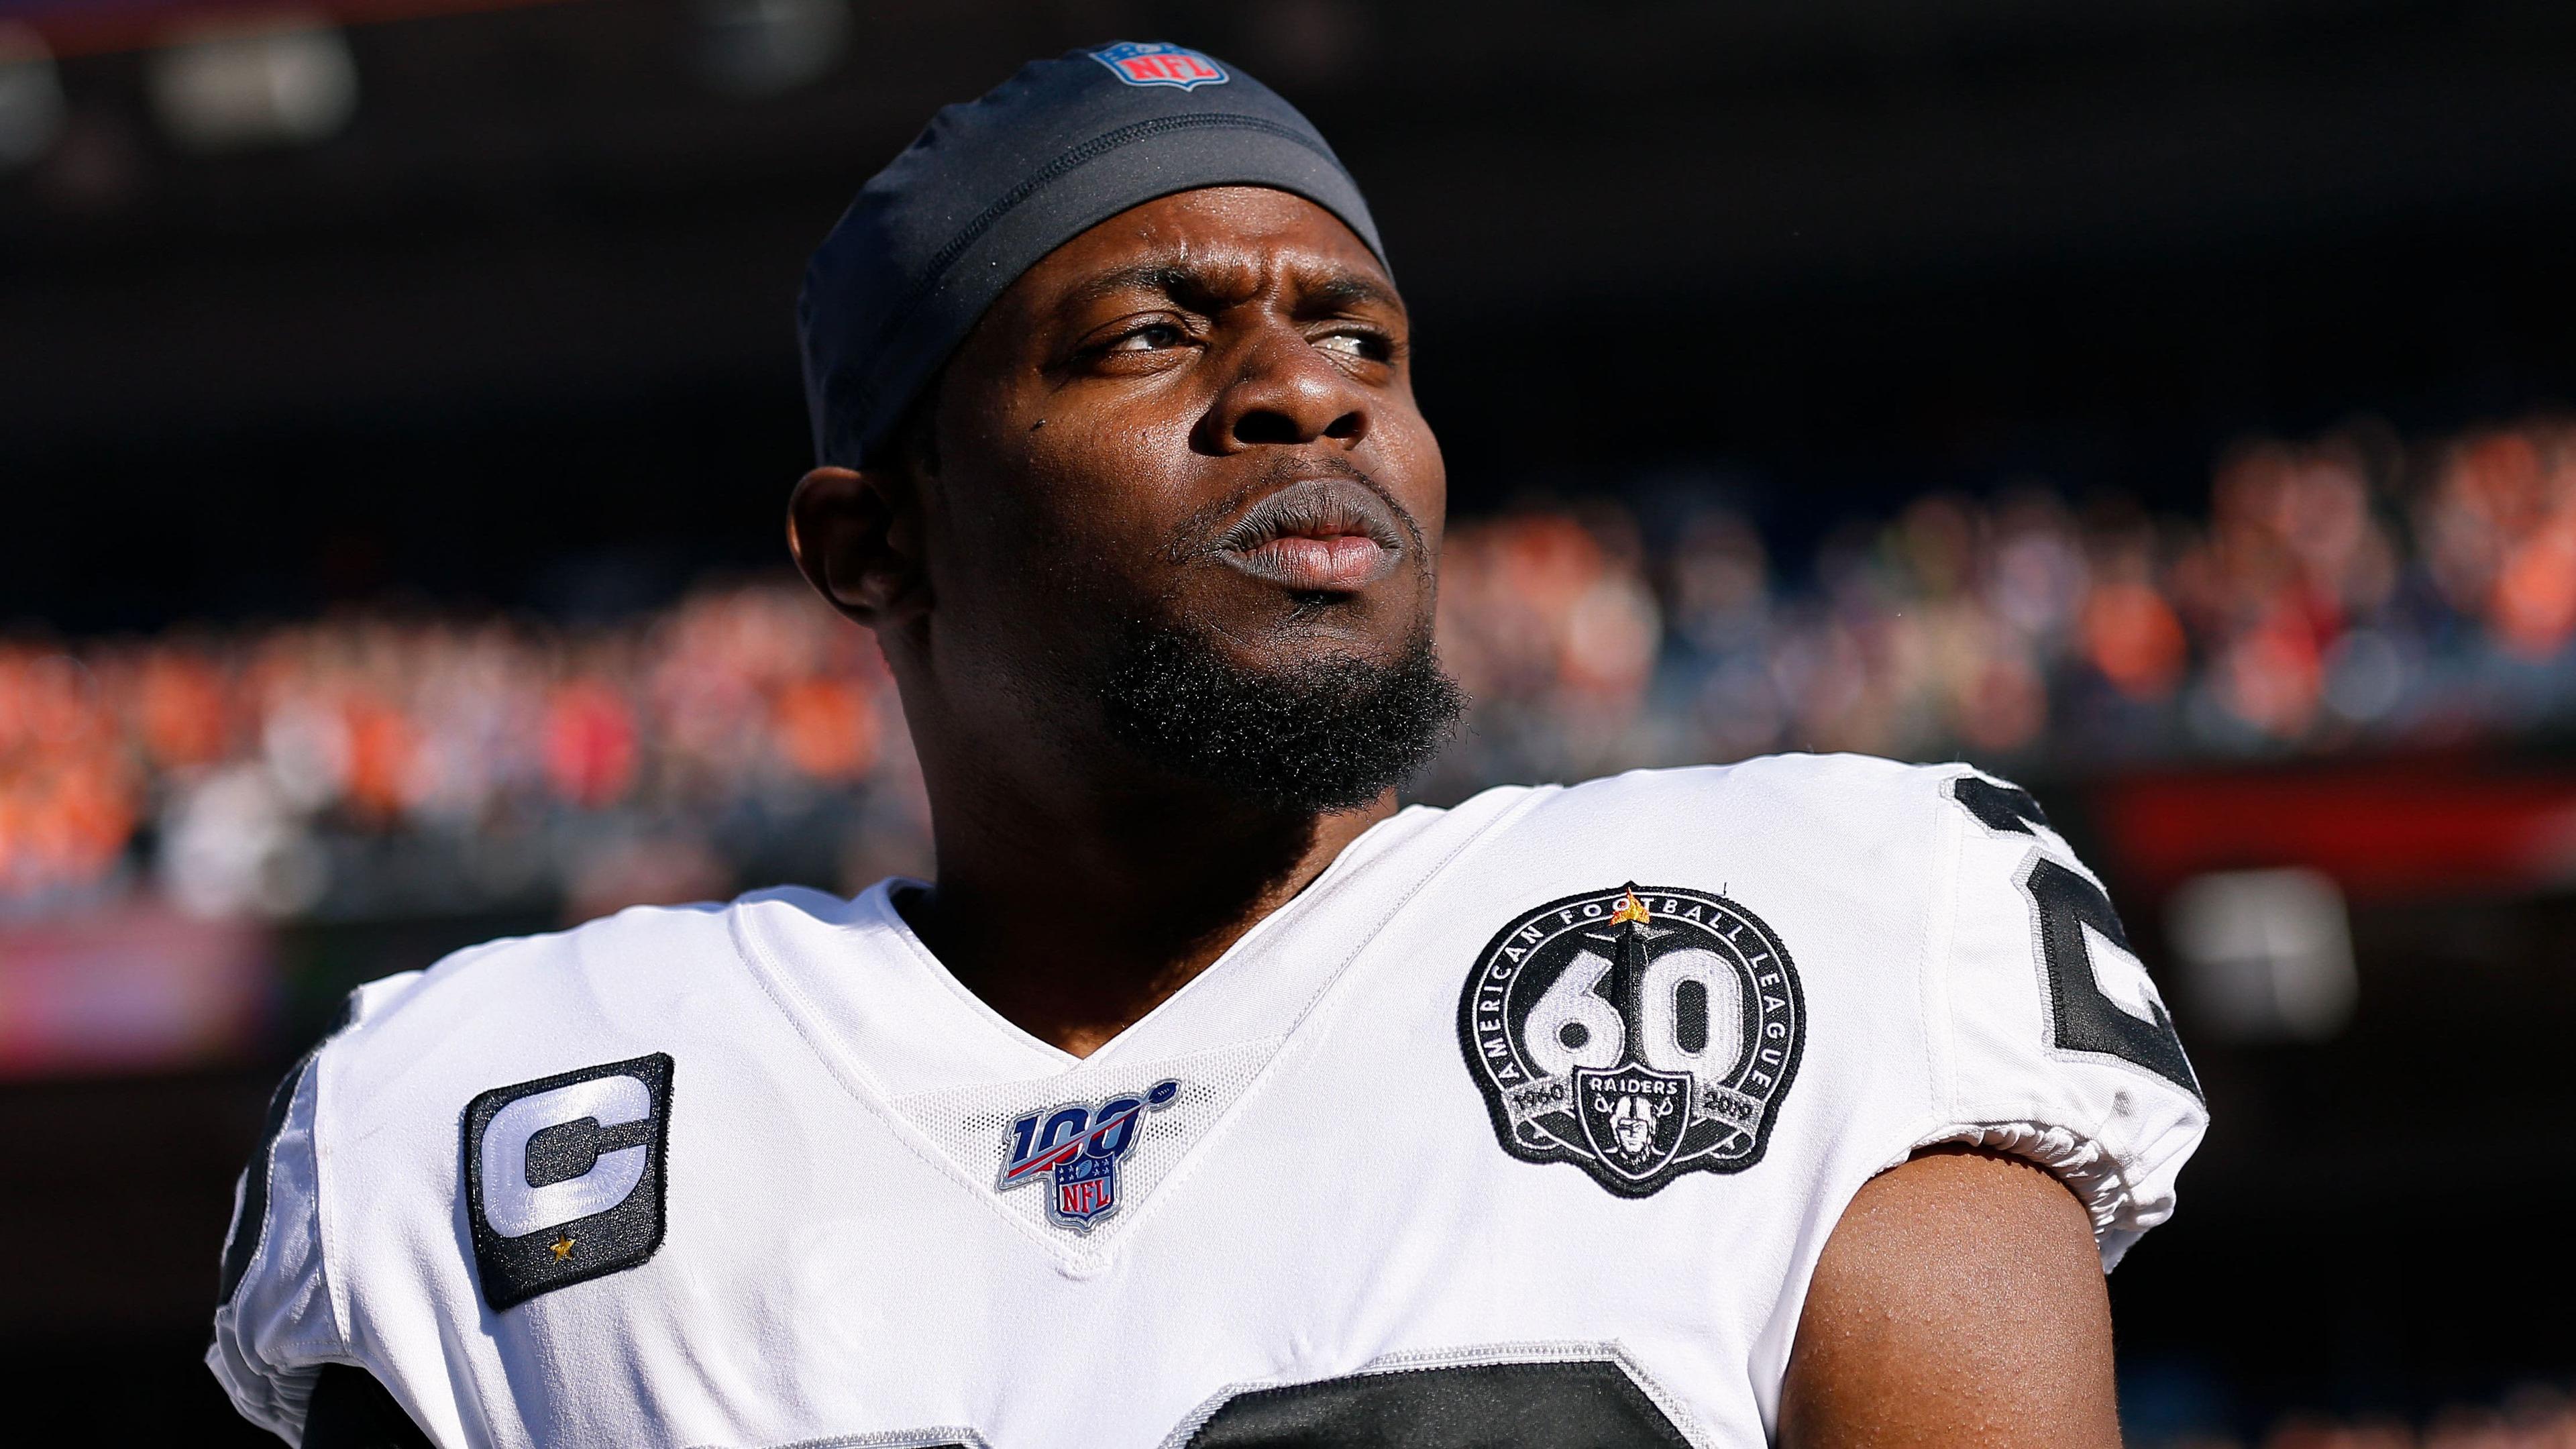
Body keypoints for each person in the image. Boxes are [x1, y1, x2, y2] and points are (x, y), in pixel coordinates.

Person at [210, 41, 2206, 1448]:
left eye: (1362, 341)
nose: (1301, 398)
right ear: (871, 541)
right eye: (1153, 337)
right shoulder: (487, 1106)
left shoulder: (1820, 919)